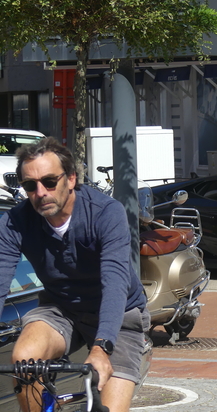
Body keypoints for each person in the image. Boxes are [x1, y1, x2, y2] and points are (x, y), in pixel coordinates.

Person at [0, 137, 148, 412]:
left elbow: (114, 282)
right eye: (30, 185)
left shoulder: (105, 212)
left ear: (70, 179)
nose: (40, 192)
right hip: (61, 308)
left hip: (118, 314)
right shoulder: (14, 221)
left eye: (49, 181)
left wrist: (102, 348)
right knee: (24, 359)